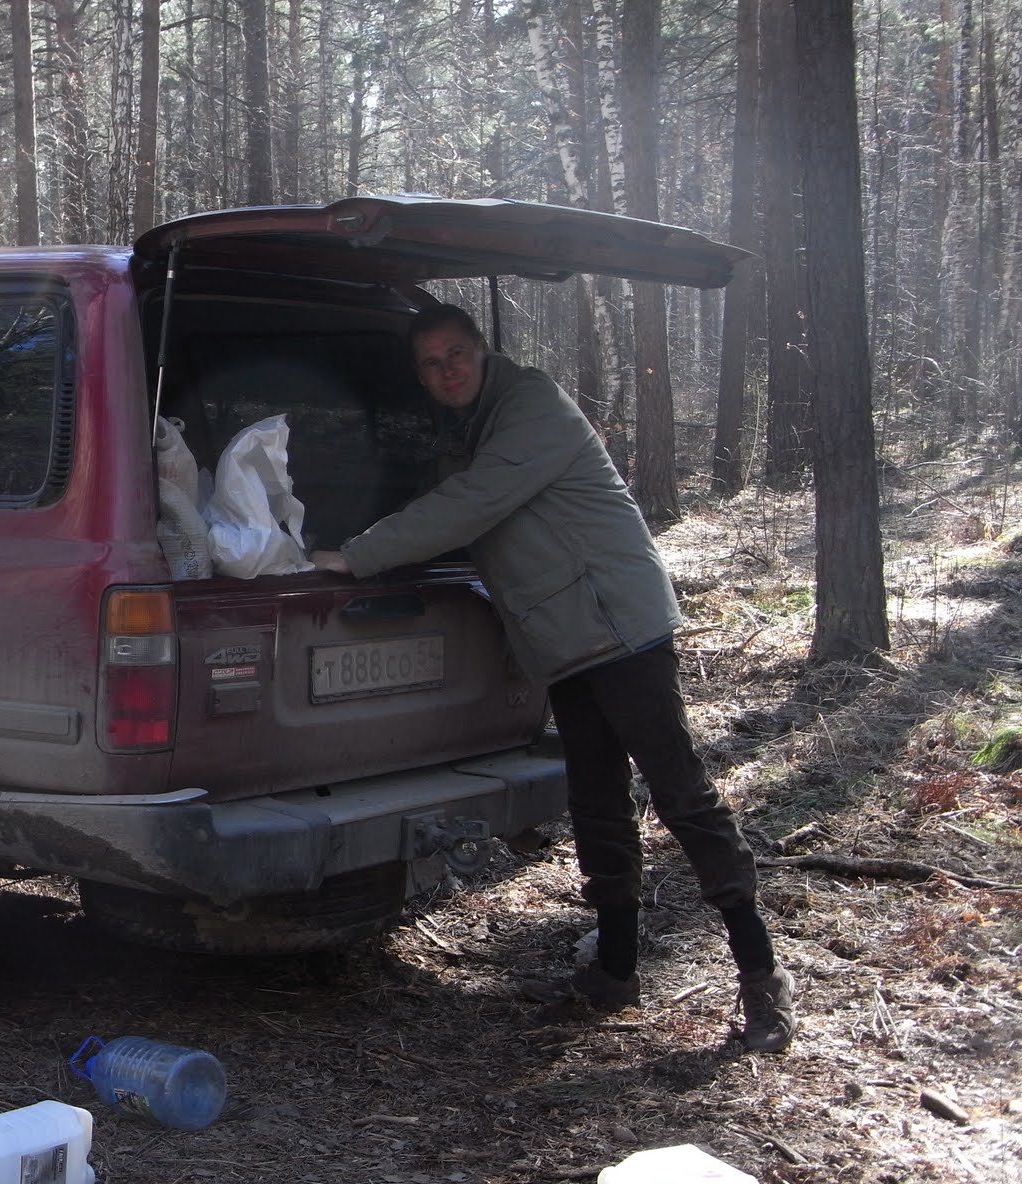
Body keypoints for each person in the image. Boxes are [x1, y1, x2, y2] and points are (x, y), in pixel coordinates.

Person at [309, 303, 796, 1054]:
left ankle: (762, 975)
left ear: (482, 348)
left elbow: (471, 504)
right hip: (564, 640)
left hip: (619, 624)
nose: (447, 371)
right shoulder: (463, 431)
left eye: (457, 353)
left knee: (680, 793)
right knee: (597, 803)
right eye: (432, 363)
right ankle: (615, 970)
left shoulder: (531, 405)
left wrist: (356, 554)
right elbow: (447, 506)